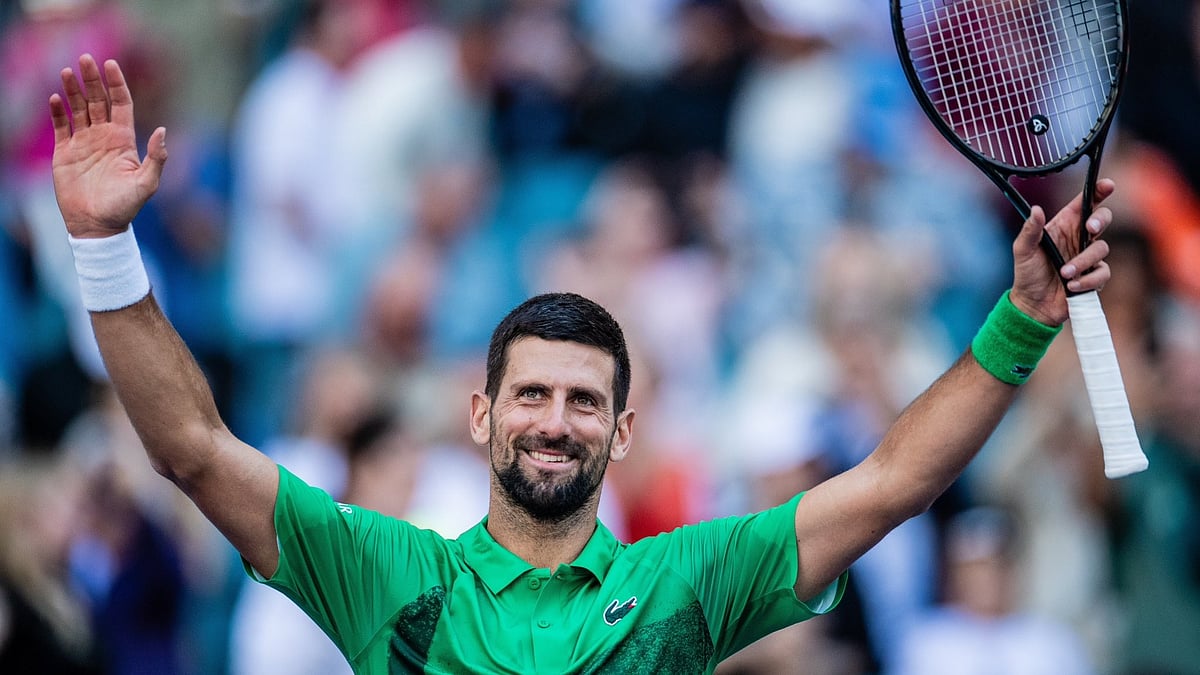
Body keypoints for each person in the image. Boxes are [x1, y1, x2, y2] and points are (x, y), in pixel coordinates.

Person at [47, 54, 1116, 673]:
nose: (555, 419)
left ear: (624, 430)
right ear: (479, 415)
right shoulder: (388, 574)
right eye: (531, 395)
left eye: (583, 400)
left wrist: (1025, 317)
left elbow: (893, 482)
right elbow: (191, 449)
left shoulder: (683, 583)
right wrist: (102, 245)